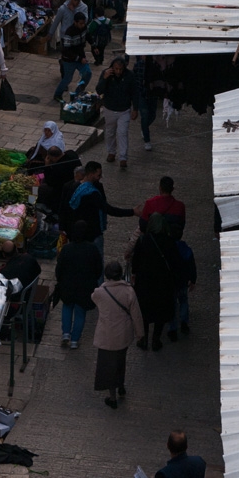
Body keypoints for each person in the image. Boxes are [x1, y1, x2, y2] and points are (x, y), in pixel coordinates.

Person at [91, 262, 144, 409]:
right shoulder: (129, 292)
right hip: (123, 336)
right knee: (120, 362)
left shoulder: (101, 292)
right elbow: (136, 315)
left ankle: (112, 397)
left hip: (107, 336)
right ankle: (121, 385)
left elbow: (93, 297)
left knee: (108, 366)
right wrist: (140, 334)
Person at [131, 215, 179, 352]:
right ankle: (156, 340)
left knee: (145, 312)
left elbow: (136, 261)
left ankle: (144, 339)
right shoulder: (169, 241)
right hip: (163, 283)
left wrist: (134, 274)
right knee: (161, 312)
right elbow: (175, 263)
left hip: (145, 282)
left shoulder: (143, 240)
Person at [67, 161, 136, 252]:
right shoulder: (92, 193)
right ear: (91, 174)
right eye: (98, 175)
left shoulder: (75, 187)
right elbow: (108, 209)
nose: (100, 177)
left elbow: (67, 209)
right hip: (93, 233)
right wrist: (132, 212)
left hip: (79, 232)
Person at [55, 222, 103, 351]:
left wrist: (60, 280)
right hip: (85, 286)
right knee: (80, 313)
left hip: (68, 285)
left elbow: (59, 268)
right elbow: (99, 269)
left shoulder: (67, 249)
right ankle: (75, 340)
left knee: (67, 307)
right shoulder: (92, 249)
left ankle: (66, 333)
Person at [96, 56, 138, 171]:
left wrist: (135, 108)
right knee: (110, 132)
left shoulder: (130, 76)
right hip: (109, 109)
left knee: (122, 132)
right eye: (116, 69)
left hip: (124, 110)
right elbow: (99, 90)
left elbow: (134, 92)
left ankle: (123, 157)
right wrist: (104, 78)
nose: (118, 71)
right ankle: (111, 152)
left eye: (120, 69)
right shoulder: (107, 74)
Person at [55, 15, 92, 102]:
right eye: (80, 23)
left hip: (80, 57)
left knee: (87, 73)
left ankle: (78, 93)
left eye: (83, 23)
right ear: (75, 22)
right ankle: (57, 95)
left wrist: (93, 45)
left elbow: (88, 35)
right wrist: (79, 59)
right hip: (69, 60)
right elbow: (66, 50)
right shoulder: (69, 33)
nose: (82, 25)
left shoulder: (84, 28)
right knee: (67, 79)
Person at [168, 234, 197, 342]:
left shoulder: (168, 250)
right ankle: (184, 322)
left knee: (172, 304)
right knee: (183, 301)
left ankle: (173, 329)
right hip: (183, 282)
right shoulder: (186, 249)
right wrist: (193, 280)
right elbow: (192, 266)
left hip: (172, 282)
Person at [133, 57, 157, 152]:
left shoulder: (155, 66)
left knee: (152, 115)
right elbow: (134, 79)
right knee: (145, 115)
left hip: (152, 95)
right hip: (141, 94)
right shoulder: (138, 65)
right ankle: (147, 140)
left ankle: (144, 128)